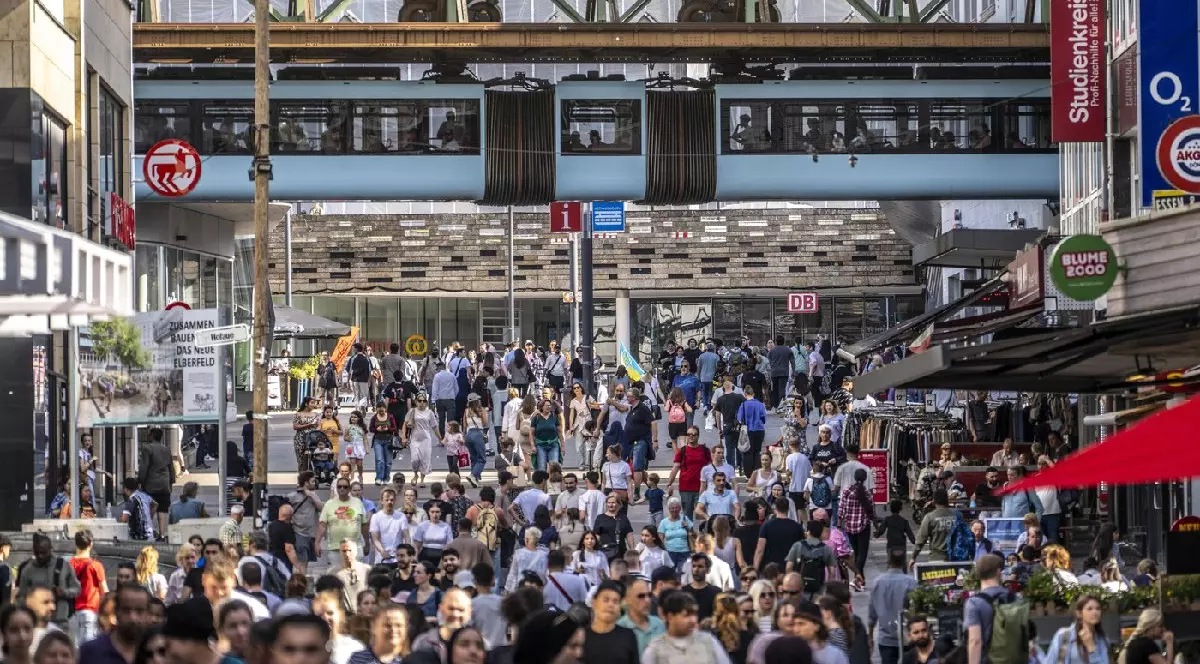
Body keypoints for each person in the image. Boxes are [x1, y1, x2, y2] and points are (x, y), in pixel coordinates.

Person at [16, 534, 79, 629]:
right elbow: (20, 596)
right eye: (37, 553)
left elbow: (77, 588)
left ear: (51, 549)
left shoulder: (63, 566)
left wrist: (64, 592)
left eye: (43, 552)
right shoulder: (27, 569)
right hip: (36, 622)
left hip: (60, 621)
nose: (40, 556)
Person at [869, 548, 918, 664]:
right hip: (908, 637)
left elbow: (872, 614)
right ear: (903, 562)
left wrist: (870, 636)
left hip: (886, 639)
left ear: (888, 562)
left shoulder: (877, 582)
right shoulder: (911, 582)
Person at [964, 553, 1012, 664]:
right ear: (999, 572)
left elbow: (975, 641)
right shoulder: (1016, 599)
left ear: (978, 574)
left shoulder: (974, 603)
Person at [582, 581, 639, 664]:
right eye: (606, 600)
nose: (610, 605)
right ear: (594, 603)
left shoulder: (628, 636)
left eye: (615, 601)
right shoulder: (581, 637)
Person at [1043, 595, 1109, 664]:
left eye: (1098, 609)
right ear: (1079, 613)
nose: (1095, 612)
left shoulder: (1102, 640)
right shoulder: (1064, 635)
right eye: (1089, 609)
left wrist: (1091, 648)